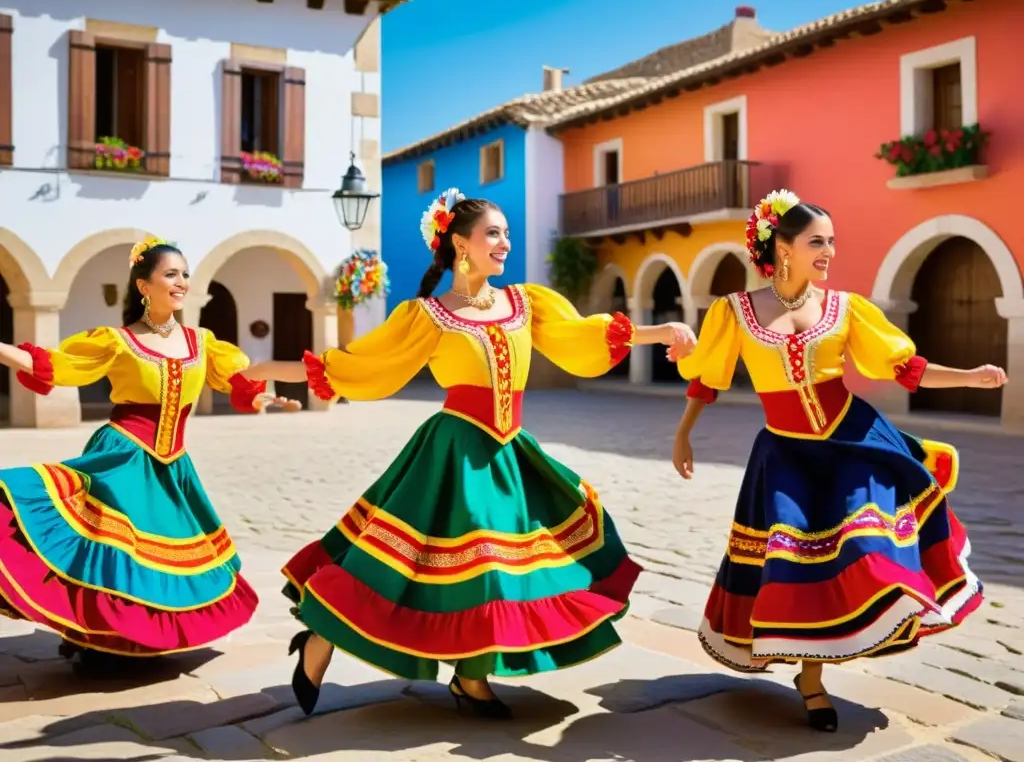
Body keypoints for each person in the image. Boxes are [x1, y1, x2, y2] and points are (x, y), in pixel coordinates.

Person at [270, 188, 697, 719]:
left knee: (504, 569)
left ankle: (470, 677)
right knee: (424, 568)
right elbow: (363, 363)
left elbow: (580, 335)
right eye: (493, 233)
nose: (505, 243)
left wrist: (662, 331)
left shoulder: (524, 303)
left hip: (511, 452)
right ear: (460, 244)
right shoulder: (427, 316)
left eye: (507, 233)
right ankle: (322, 639)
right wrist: (272, 373)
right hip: (454, 454)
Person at [668, 189, 1006, 733]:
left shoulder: (846, 308)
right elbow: (706, 377)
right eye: (816, 242)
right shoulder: (735, 312)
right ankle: (811, 680)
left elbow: (905, 368)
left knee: (866, 550)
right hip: (785, 455)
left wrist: (969, 377)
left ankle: (830, 657)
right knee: (796, 564)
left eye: (832, 242)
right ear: (783, 247)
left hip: (854, 442)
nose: (828, 252)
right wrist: (683, 435)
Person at [0, 238, 300, 668]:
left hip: (172, 465)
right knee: (109, 552)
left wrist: (263, 398)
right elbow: (50, 365)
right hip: (122, 455)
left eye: (185, 274)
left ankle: (133, 637)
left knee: (157, 558)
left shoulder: (203, 342)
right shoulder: (117, 341)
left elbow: (238, 382)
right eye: (171, 274)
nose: (182, 283)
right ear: (145, 286)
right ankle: (95, 637)